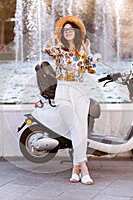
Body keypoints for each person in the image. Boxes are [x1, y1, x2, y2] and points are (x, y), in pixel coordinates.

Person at [43, 16, 96, 185]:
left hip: (80, 92)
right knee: (74, 127)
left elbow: (92, 70)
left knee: (81, 129)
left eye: (70, 29)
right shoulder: (58, 50)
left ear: (76, 32)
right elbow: (46, 49)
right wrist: (53, 37)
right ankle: (84, 168)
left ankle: (76, 168)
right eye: (65, 30)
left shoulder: (81, 51)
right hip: (63, 91)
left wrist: (88, 50)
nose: (68, 32)